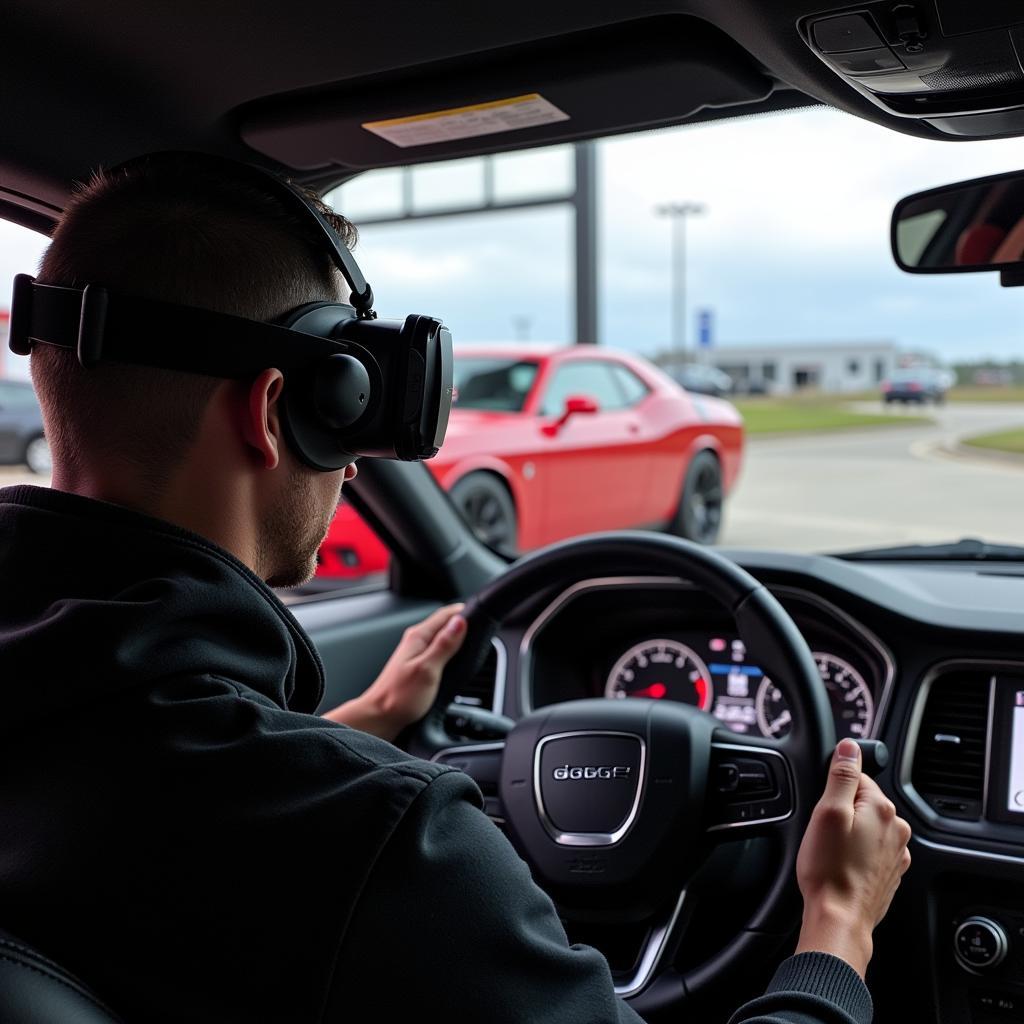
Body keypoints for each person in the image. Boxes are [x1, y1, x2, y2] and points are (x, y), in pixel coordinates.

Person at [0, 154, 911, 1023]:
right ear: (277, 412)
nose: (356, 467)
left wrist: (357, 726)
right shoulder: (387, 844)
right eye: (349, 416)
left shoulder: (78, 719)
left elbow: (155, 783)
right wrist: (837, 924)